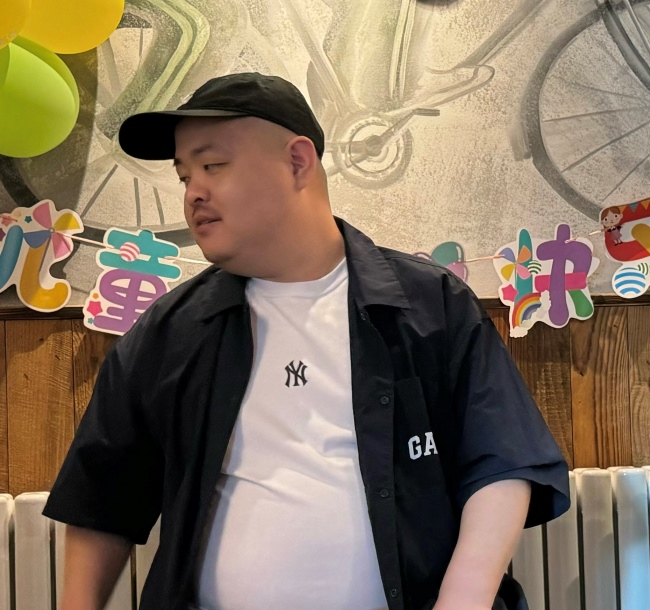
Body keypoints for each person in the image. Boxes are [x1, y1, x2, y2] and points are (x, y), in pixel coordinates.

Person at [43, 72, 570, 610]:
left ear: (297, 161)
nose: (193, 192)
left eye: (213, 165)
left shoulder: (428, 303)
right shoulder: (171, 330)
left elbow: (502, 461)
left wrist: (463, 600)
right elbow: (101, 497)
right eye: (184, 176)